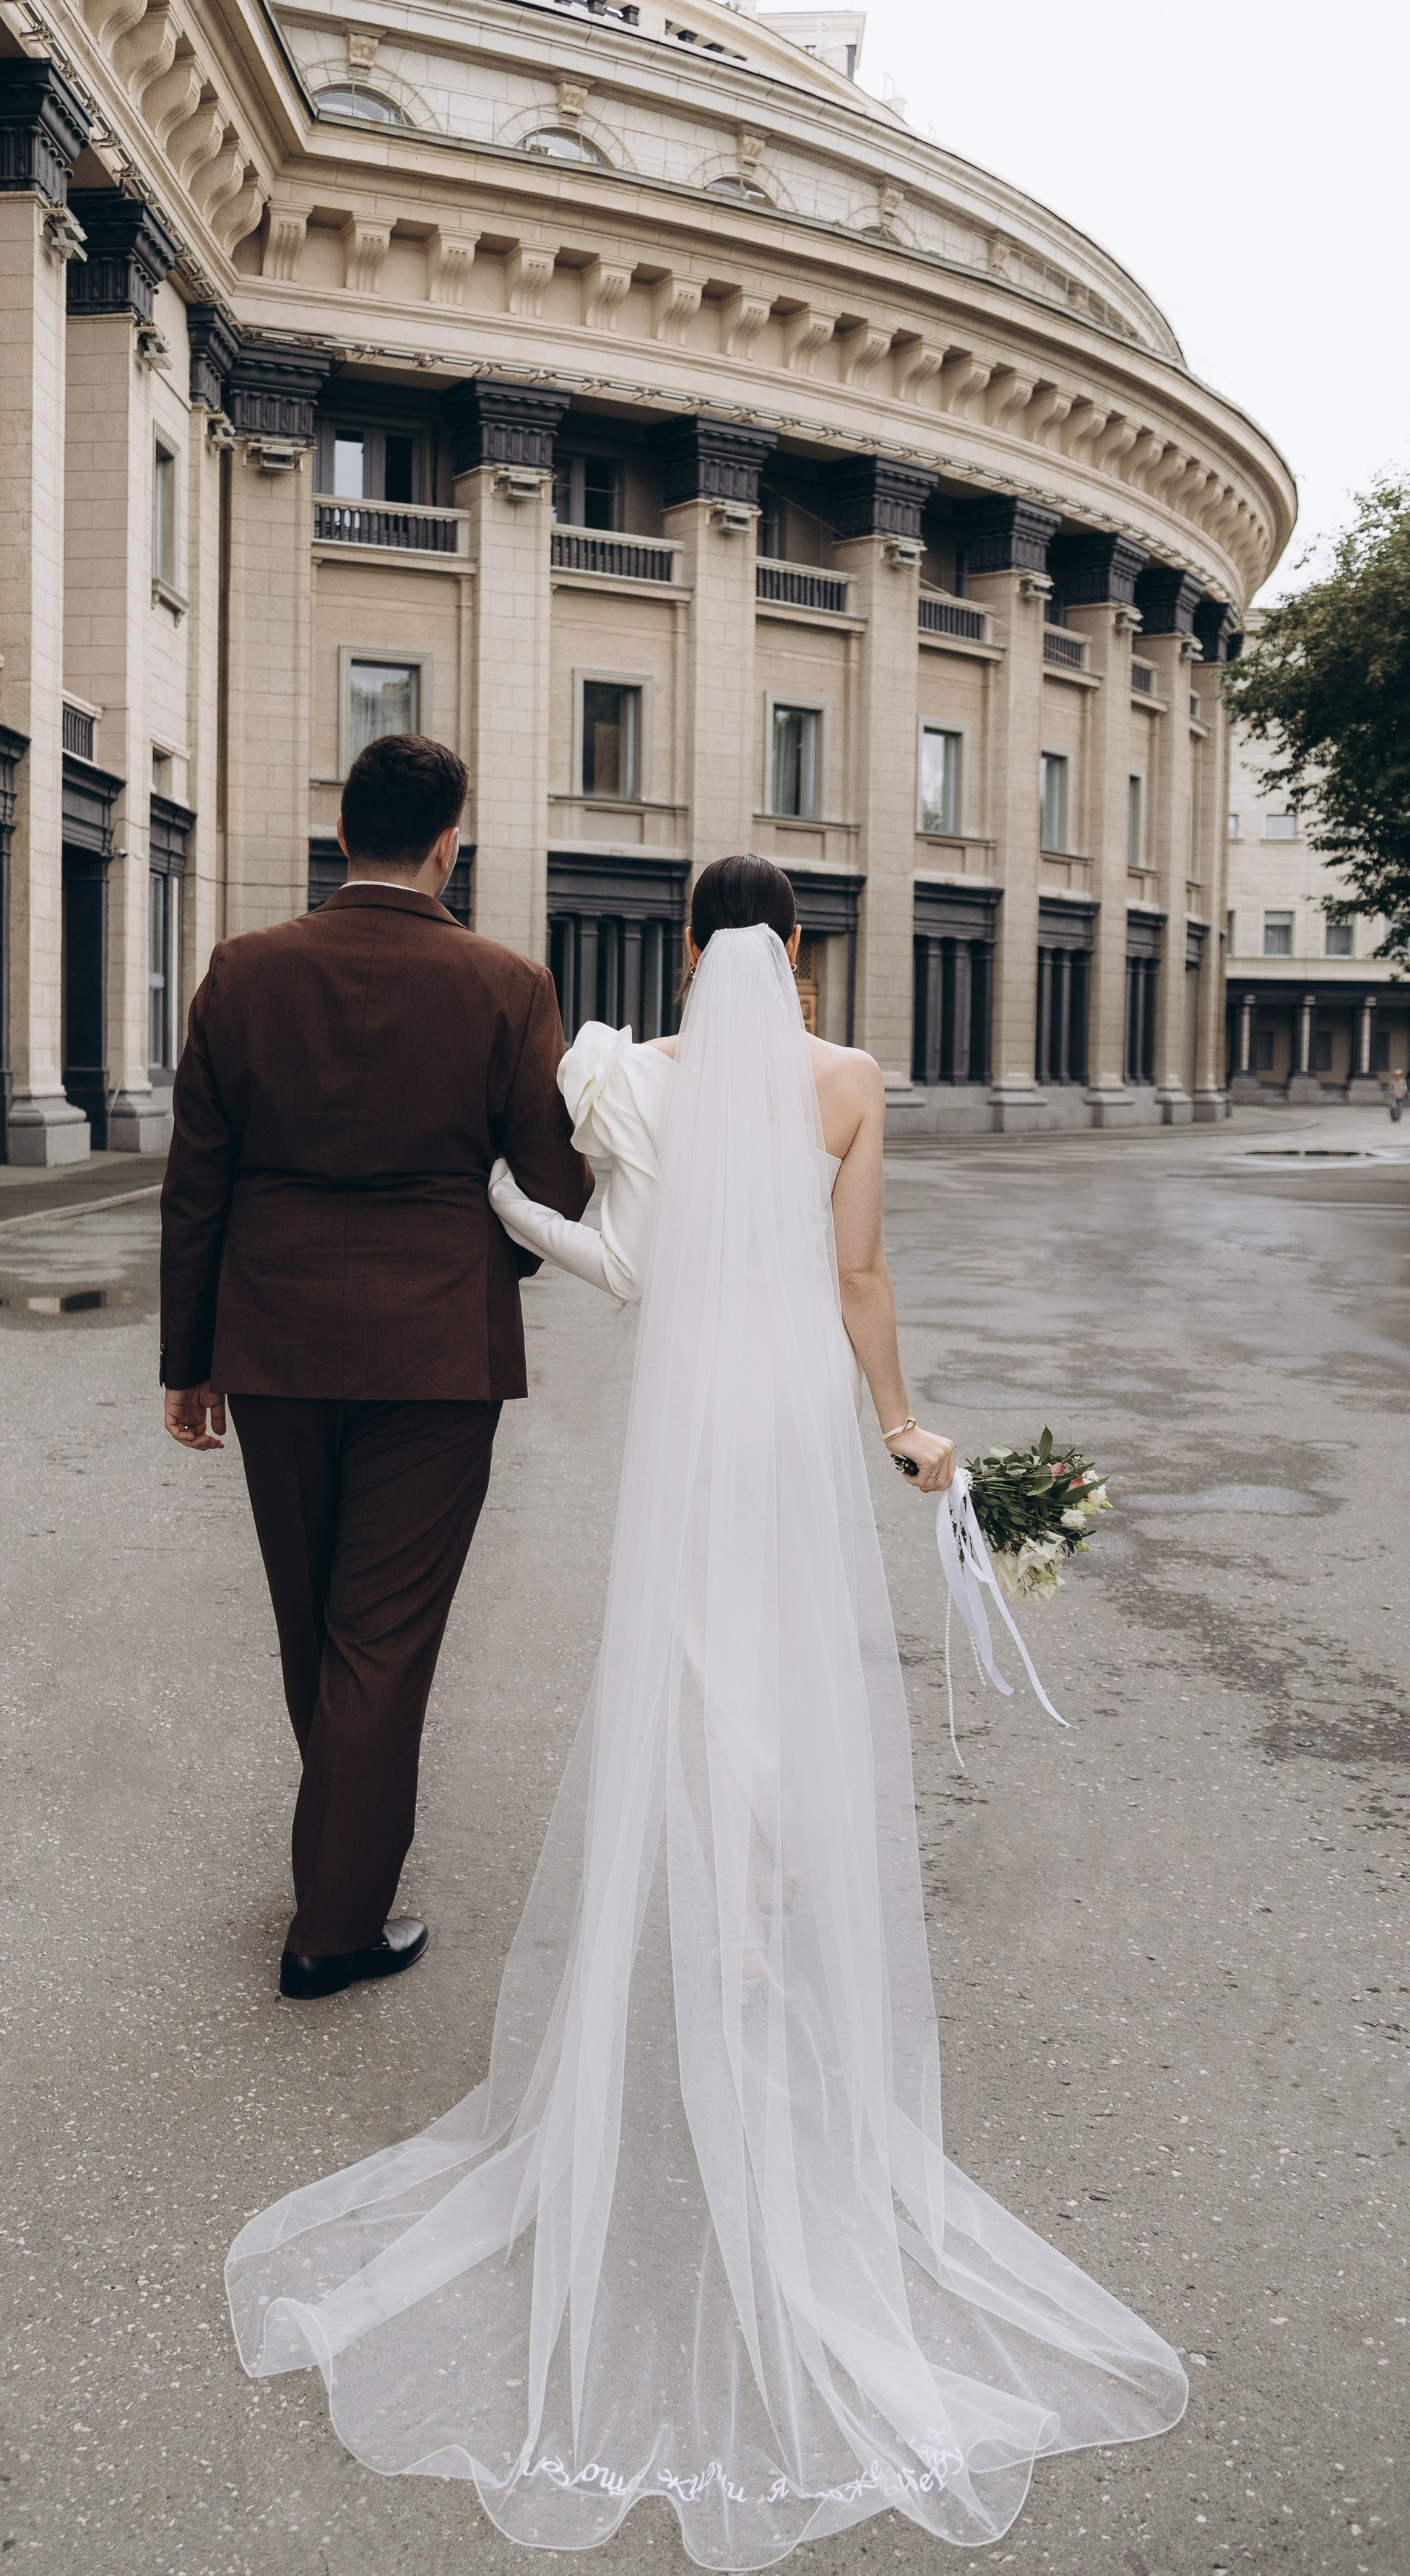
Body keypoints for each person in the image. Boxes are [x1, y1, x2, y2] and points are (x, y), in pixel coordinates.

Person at [225, 855, 1185, 2559]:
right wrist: (903, 1428)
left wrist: (501, 1214)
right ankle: (766, 1903)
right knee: (792, 1642)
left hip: (684, 1419)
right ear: (799, 951)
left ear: (682, 947)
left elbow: (611, 1258)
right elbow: (857, 1283)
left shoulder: (619, 1073)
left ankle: (713, 1894)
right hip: (794, 1415)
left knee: (682, 1647)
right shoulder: (844, 1084)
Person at [159, 735, 592, 2001]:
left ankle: (337, 1865)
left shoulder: (242, 972)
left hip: (275, 1340)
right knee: (384, 1637)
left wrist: (192, 1361)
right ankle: (333, 1925)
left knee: (318, 1626)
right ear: (449, 843)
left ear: (340, 834)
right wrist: (468, 1270)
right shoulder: (509, 983)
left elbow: (198, 1185)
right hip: (437, 1354)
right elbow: (551, 1185)